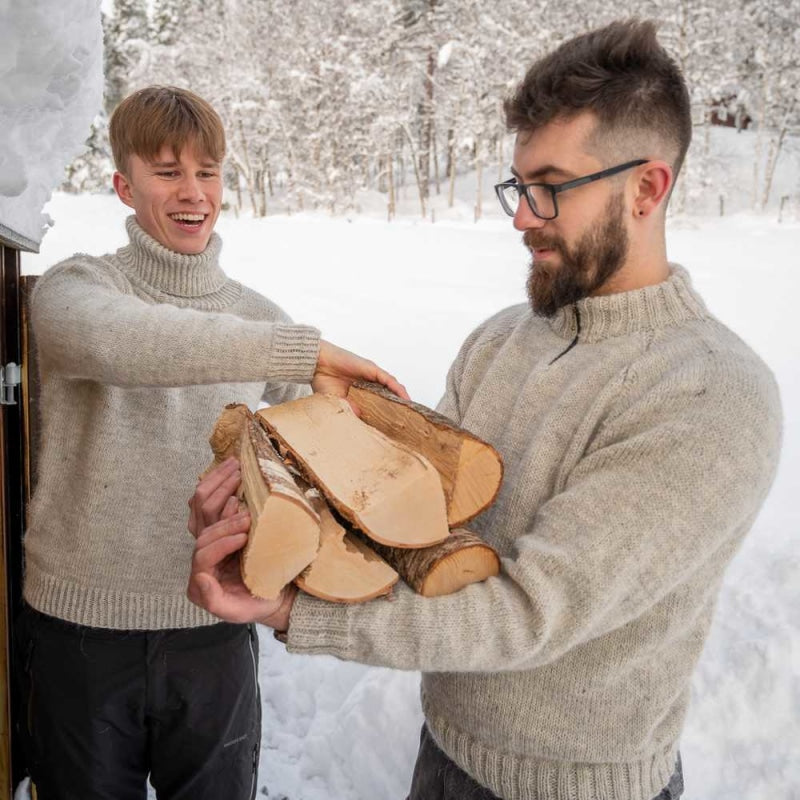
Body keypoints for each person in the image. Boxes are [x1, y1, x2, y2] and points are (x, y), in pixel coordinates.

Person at [186, 20, 783, 800]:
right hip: (445, 757)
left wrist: (298, 613)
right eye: (517, 185)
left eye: (550, 188)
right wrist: (280, 509)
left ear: (646, 187)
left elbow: (530, 613)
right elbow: (410, 526)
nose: (520, 216)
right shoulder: (502, 340)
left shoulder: (711, 397)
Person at [16, 85, 406, 800]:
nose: (193, 192)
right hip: (81, 631)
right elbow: (126, 340)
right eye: (167, 173)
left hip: (214, 621)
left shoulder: (256, 318)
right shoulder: (77, 290)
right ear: (123, 186)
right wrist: (295, 351)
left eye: (208, 171)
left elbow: (328, 442)